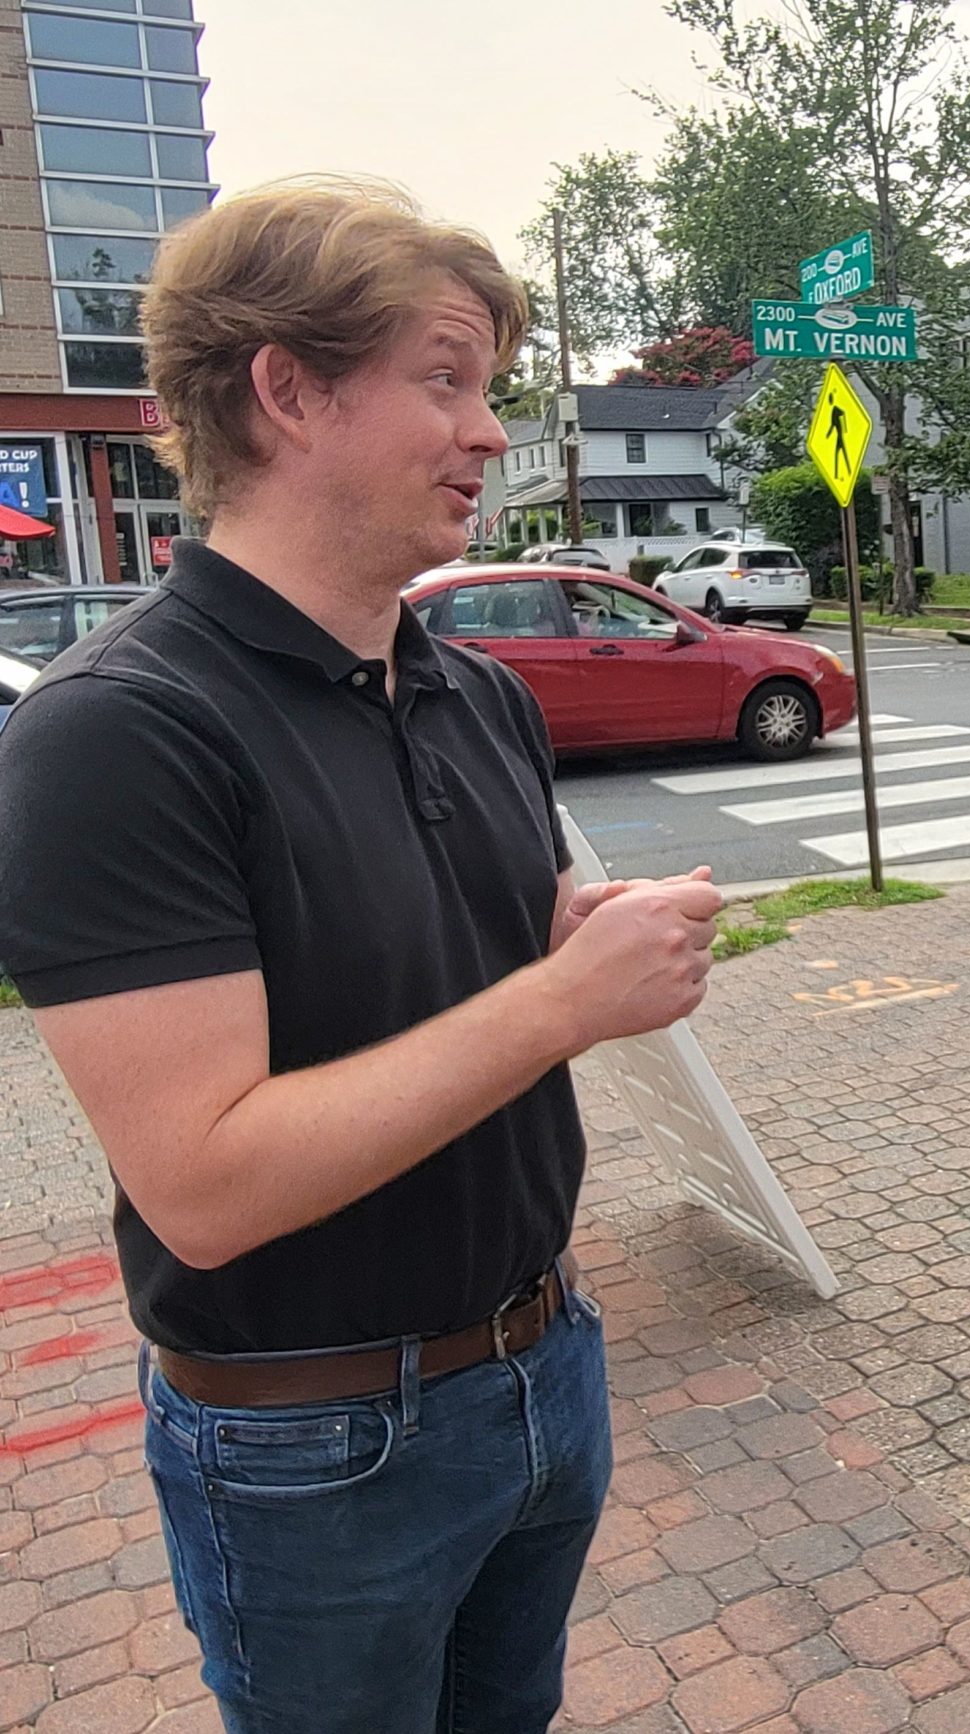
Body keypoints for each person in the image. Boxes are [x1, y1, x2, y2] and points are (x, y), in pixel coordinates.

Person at [0, 180, 725, 1733]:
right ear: (289, 388)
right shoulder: (115, 736)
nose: (487, 431)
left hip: (547, 1366)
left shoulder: (479, 697)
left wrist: (555, 947)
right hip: (314, 1450)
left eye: (490, 387)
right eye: (447, 377)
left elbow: (428, 976)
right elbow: (205, 1183)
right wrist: (555, 1004)